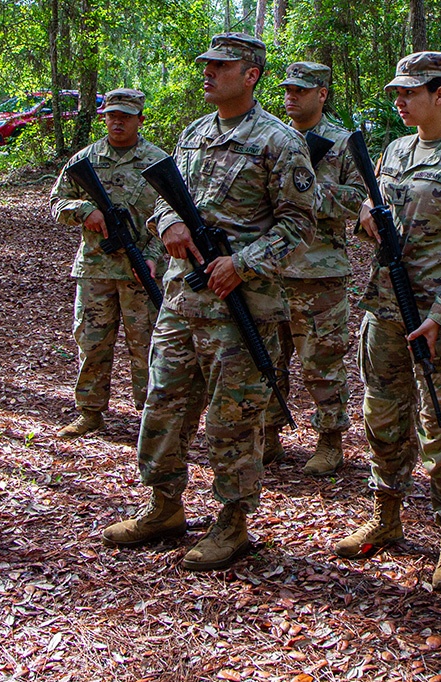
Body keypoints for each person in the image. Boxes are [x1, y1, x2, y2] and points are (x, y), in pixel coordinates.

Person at [101, 33, 316, 570]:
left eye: (222, 65)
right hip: (182, 299)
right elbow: (162, 204)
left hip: (242, 309)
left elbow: (299, 223)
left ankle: (232, 523)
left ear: (252, 75)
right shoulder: (192, 135)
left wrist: (240, 263)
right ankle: (164, 506)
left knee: (232, 421)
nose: (209, 72)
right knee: (164, 405)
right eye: (207, 64)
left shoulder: (279, 141)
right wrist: (169, 222)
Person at [333, 52, 441, 592]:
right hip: (385, 310)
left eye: (409, 92)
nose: (399, 101)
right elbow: (376, 214)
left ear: (440, 94)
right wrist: (363, 216)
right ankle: (386, 516)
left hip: (439, 322)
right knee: (382, 418)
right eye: (397, 93)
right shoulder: (395, 151)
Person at [262, 62, 365, 475]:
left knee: (321, 360)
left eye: (301, 90)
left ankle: (329, 442)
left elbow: (361, 199)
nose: (291, 96)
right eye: (287, 89)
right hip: (268, 268)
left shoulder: (342, 142)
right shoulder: (269, 136)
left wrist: (306, 193)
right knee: (265, 358)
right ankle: (268, 435)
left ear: (322, 93)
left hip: (318, 270)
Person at [49, 88, 169, 438]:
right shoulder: (84, 160)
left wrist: (151, 256)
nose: (117, 122)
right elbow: (58, 202)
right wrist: (85, 211)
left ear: (140, 120)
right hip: (95, 268)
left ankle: (150, 416)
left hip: (141, 271)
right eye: (112, 115)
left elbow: (173, 214)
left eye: (126, 116)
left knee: (145, 345)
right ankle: (90, 412)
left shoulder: (158, 162)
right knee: (92, 342)